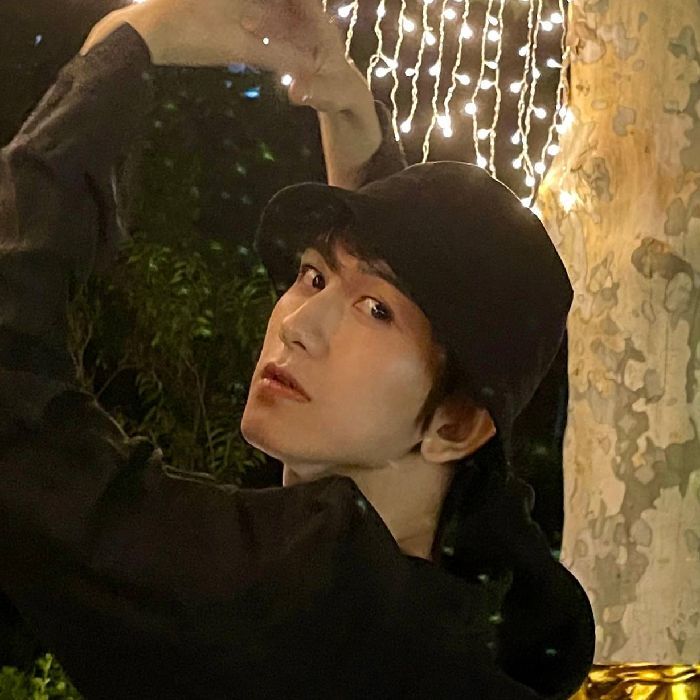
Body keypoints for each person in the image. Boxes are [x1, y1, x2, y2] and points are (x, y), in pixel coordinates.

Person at [0, 0, 594, 697]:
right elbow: (434, 323)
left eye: (375, 312)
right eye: (312, 276)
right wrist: (354, 122)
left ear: (457, 425)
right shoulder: (479, 613)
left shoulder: (287, 600)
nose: (298, 324)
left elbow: (18, 422)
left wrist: (128, 46)